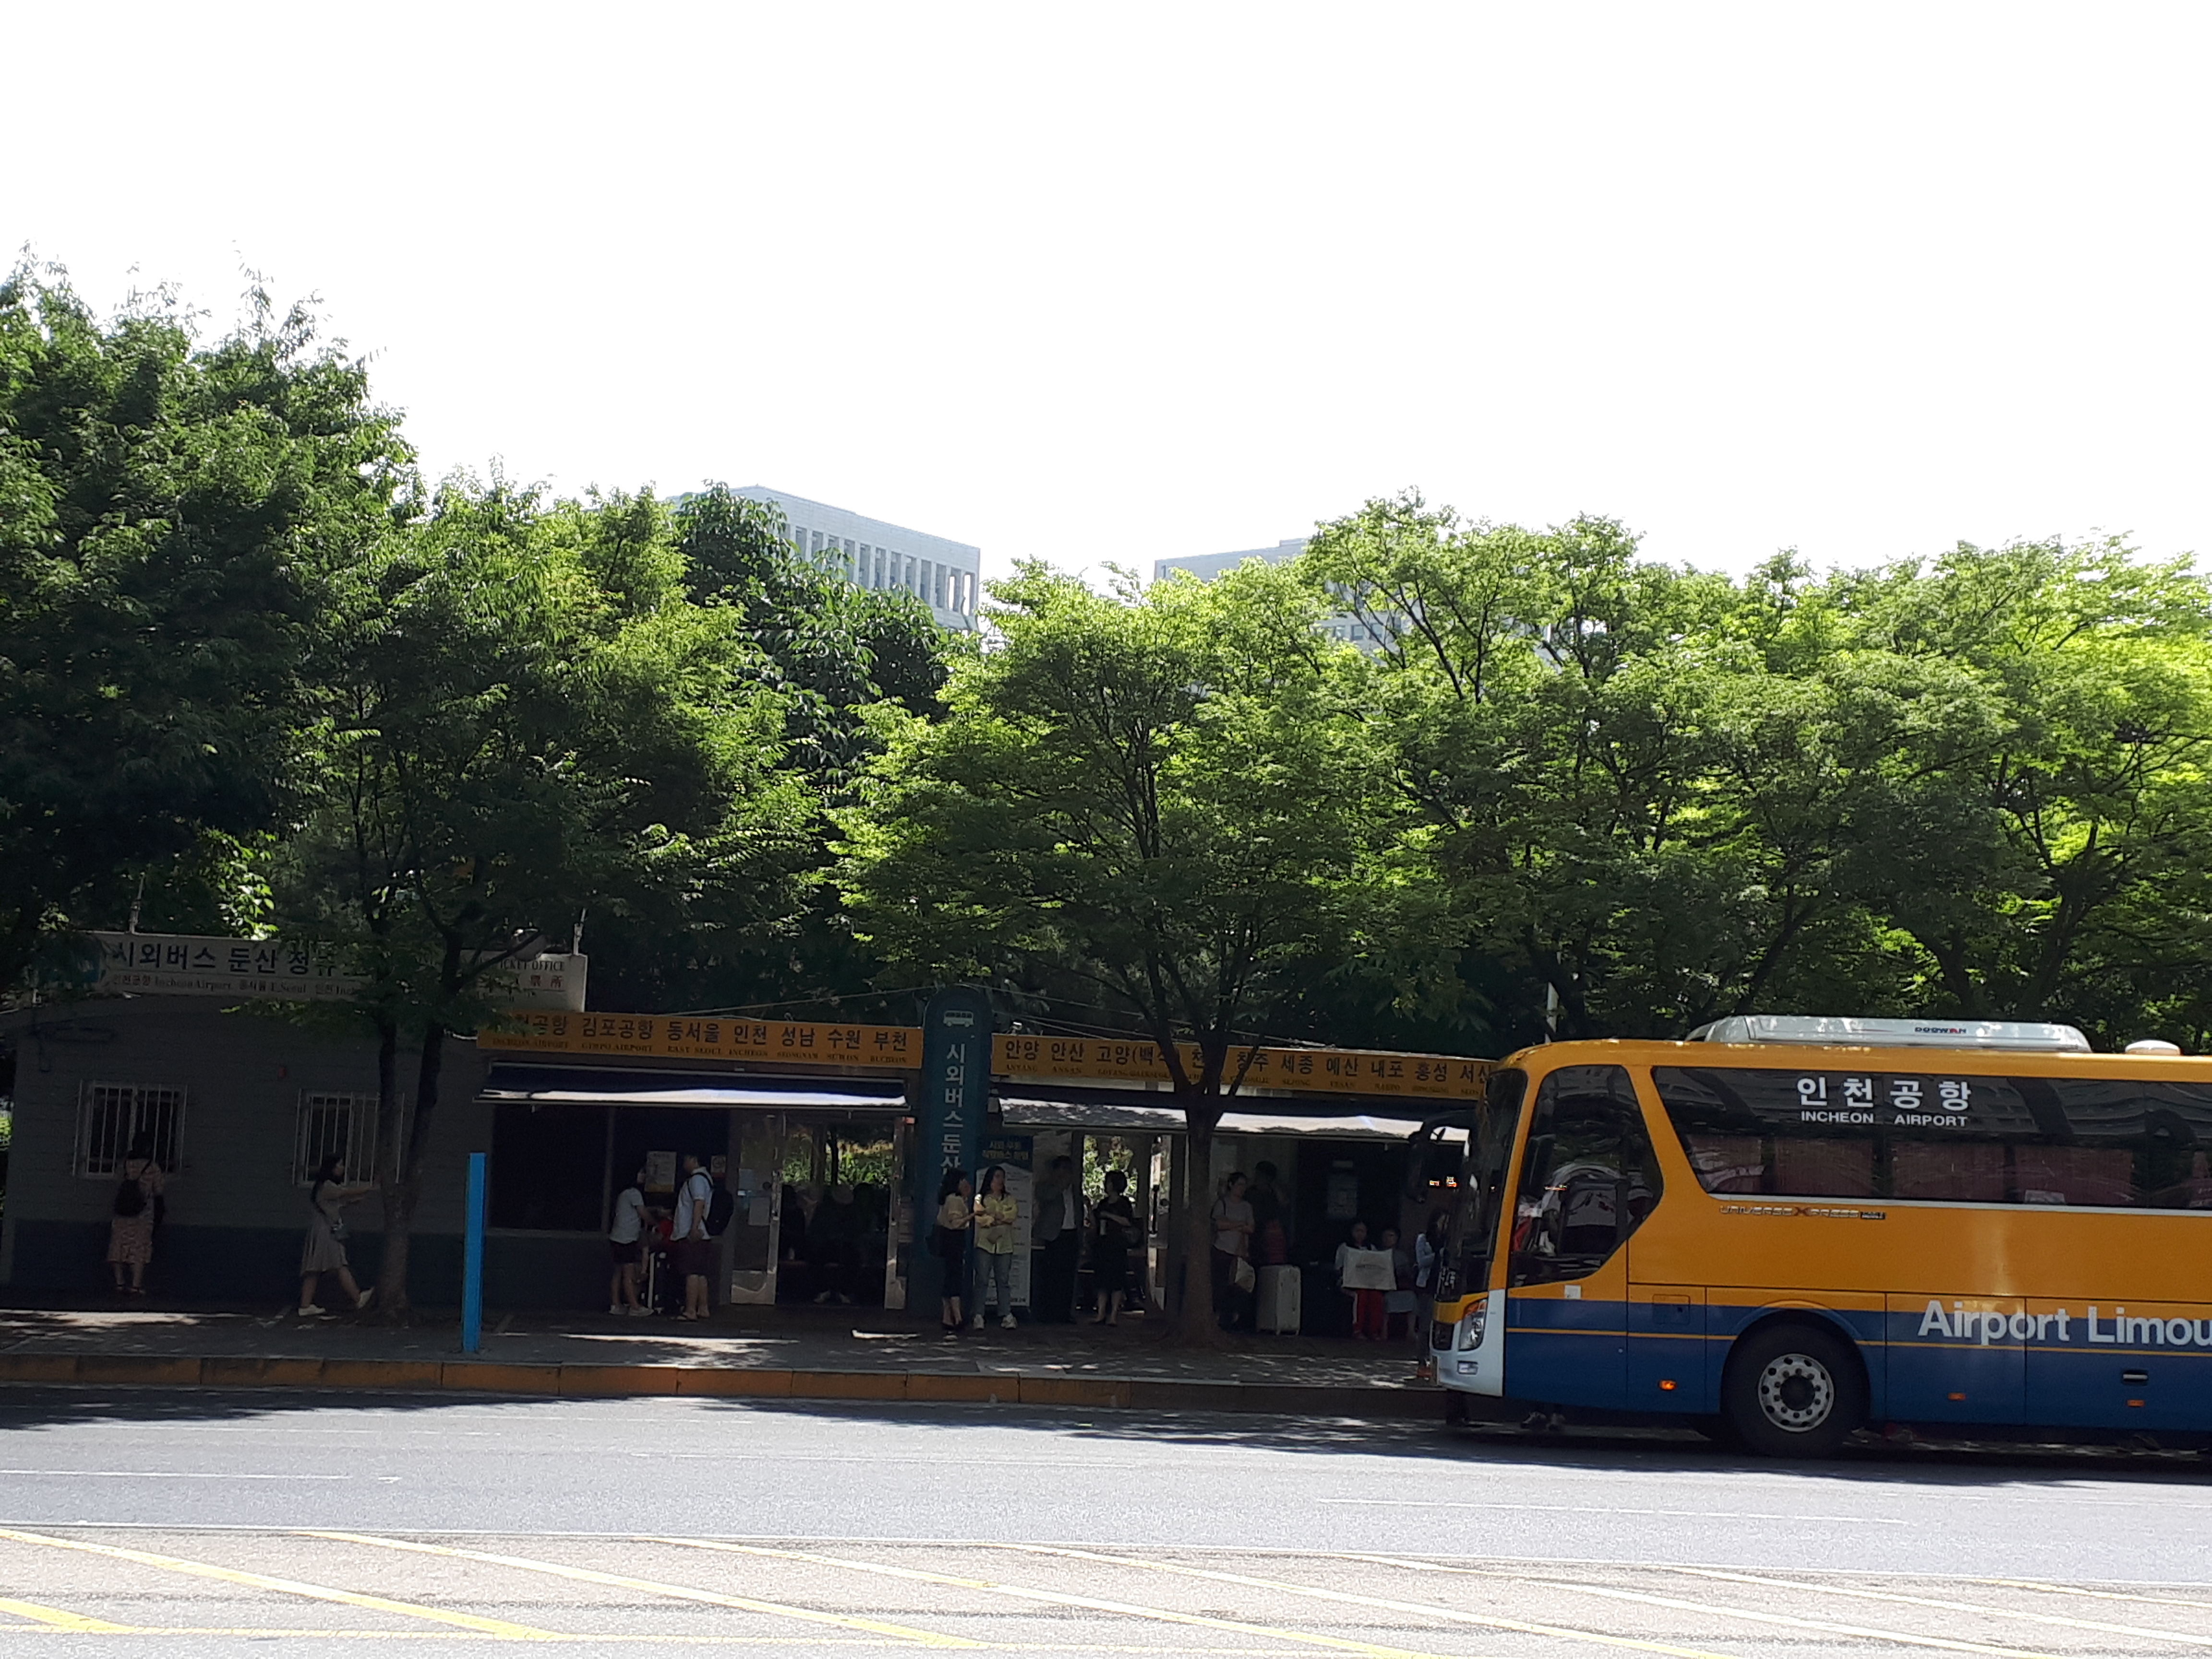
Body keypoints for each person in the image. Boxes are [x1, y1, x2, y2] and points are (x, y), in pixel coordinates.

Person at [298, 1154, 376, 1316]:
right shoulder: (328, 1187)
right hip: (327, 1230)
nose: (342, 1168)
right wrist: (370, 1187)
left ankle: (305, 1305)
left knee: (314, 1268)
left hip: (322, 1229)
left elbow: (338, 1203)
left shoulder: (323, 1187)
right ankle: (357, 1298)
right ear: (332, 1168)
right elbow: (345, 1192)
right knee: (340, 1264)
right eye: (340, 1165)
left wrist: (353, 1201)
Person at [105, 1132, 164, 1297]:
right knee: (138, 1249)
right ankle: (136, 1286)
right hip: (143, 1214)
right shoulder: (153, 1167)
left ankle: (119, 1283)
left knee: (118, 1246)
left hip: (122, 1211)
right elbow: (158, 1192)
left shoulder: (124, 1164)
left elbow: (118, 1183)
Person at [1030, 1155, 1080, 1323]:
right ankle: (1047, 1313)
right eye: (1063, 1169)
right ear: (1056, 1170)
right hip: (1053, 1236)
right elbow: (1046, 1197)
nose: (1067, 1173)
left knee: (1068, 1276)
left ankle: (1064, 1313)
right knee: (1050, 1275)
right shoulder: (1045, 1186)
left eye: (1069, 1170)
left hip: (1071, 1234)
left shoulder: (1075, 1190)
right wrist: (1061, 1185)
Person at [1088, 1168, 1138, 1327]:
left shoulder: (1124, 1204)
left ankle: (1114, 1315)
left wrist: (1109, 1216)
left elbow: (1128, 1221)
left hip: (1117, 1244)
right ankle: (1101, 1314)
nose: (1106, 1185)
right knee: (1102, 1279)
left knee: (1117, 1279)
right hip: (1103, 1244)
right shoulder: (1103, 1203)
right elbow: (1094, 1221)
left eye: (1109, 1182)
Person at [971, 1165, 1018, 1329]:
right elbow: (980, 1218)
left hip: (1005, 1245)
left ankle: (1006, 1314)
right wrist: (993, 1219)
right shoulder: (981, 1198)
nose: (1001, 1180)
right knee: (982, 1279)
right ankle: (978, 1315)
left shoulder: (1009, 1198)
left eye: (1003, 1177)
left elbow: (1013, 1215)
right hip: (985, 1244)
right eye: (997, 1177)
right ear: (990, 1178)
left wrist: (1001, 1217)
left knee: (1003, 1280)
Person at [672, 1153, 715, 1322]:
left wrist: (694, 1228)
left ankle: (690, 1309)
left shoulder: (697, 1180)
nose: (685, 1164)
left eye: (686, 1160)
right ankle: (703, 1307)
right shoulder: (707, 1180)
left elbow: (699, 1203)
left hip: (694, 1233)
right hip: (705, 1234)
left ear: (694, 1160)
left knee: (692, 1273)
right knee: (701, 1273)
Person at [1210, 1171, 1254, 1331]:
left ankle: (1233, 1320)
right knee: (1220, 1287)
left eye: (1244, 1185)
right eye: (1239, 1185)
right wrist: (1239, 1225)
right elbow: (1219, 1224)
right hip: (1222, 1251)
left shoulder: (1247, 1207)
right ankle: (1219, 1318)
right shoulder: (1222, 1204)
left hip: (1239, 1253)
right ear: (1231, 1185)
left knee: (1238, 1288)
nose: (1242, 1189)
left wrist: (1233, 1224)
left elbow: (1251, 1227)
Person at [933, 1168, 974, 1336]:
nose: (966, 1184)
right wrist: (973, 1215)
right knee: (955, 1276)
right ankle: (957, 1316)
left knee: (950, 1276)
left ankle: (947, 1316)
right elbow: (957, 1223)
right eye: (963, 1181)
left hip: (946, 1241)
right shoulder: (955, 1200)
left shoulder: (947, 1199)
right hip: (955, 1241)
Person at [608, 1165, 650, 1316]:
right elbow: (643, 1213)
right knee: (629, 1273)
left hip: (616, 1236)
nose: (644, 1176)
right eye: (641, 1173)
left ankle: (616, 1304)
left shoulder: (622, 1194)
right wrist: (655, 1222)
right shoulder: (634, 1193)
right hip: (627, 1239)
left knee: (618, 1272)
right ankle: (635, 1306)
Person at [1335, 1219, 1386, 1340]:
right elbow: (1338, 1268)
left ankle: (1373, 1331)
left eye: (1363, 1231)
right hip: (1348, 1283)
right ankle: (1357, 1330)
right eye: (1357, 1231)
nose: (1360, 1234)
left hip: (1369, 1283)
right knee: (1360, 1296)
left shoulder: (1371, 1248)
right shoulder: (1345, 1247)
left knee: (1376, 1296)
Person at [1382, 1225, 1419, 1343]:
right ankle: (1383, 1330)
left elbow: (1408, 1274)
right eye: (1386, 1236)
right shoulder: (1377, 1254)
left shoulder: (1402, 1256)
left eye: (1391, 1236)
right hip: (1383, 1288)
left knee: (1411, 1297)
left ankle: (1411, 1331)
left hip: (1398, 1287)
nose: (1388, 1239)